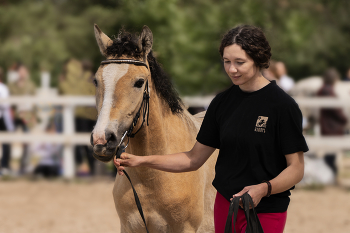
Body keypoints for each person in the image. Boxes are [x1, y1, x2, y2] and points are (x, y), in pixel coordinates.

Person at [114, 25, 308, 233]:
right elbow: (193, 159)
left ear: (258, 60)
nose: (231, 69)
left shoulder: (283, 106)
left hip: (266, 209)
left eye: (239, 62)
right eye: (227, 62)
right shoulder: (221, 103)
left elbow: (296, 169)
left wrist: (263, 189)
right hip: (226, 206)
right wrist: (141, 161)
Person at [59, 59, 97, 176]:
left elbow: (66, 92)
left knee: (79, 143)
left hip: (79, 115)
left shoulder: (76, 80)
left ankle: (81, 166)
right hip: (91, 115)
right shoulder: (91, 77)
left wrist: (61, 83)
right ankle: (93, 168)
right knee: (89, 144)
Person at [316, 68, 348, 175]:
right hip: (331, 127)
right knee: (331, 153)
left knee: (331, 153)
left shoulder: (324, 89)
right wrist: (344, 119)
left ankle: (331, 173)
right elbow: (335, 109)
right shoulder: (327, 91)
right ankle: (331, 174)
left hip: (329, 126)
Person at [0, 67, 15, 176]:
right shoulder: (4, 88)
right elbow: (6, 105)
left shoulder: (4, 88)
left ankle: (5, 165)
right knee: (6, 143)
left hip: (2, 117)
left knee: (6, 143)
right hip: (3, 117)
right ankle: (5, 165)